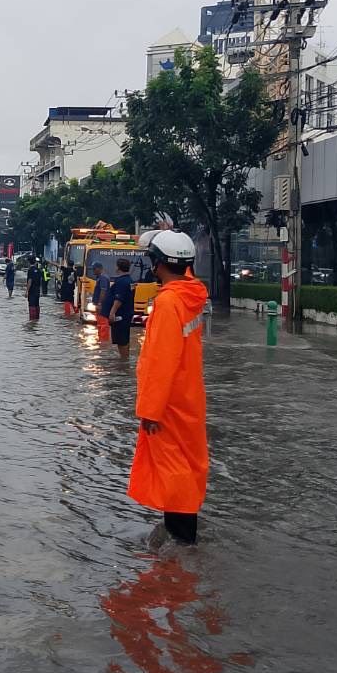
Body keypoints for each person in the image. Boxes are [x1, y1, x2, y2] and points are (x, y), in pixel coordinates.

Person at [129, 229, 208, 548]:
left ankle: (182, 545)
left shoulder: (168, 303)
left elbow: (161, 361)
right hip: (189, 398)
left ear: (159, 263)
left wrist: (149, 411)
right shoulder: (193, 295)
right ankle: (182, 539)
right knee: (188, 465)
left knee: (174, 471)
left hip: (169, 404)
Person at [105, 257, 135, 359]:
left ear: (118, 268)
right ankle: (125, 360)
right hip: (127, 313)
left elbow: (119, 299)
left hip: (120, 315)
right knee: (124, 338)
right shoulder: (130, 280)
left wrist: (112, 312)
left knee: (121, 340)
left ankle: (124, 360)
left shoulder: (121, 282)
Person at [90, 262, 110, 342]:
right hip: (100, 305)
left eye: (94, 269)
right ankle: (101, 340)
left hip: (102, 305)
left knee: (103, 324)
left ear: (99, 268)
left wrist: (100, 303)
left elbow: (103, 291)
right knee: (100, 324)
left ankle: (104, 342)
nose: (93, 271)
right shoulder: (100, 277)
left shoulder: (103, 278)